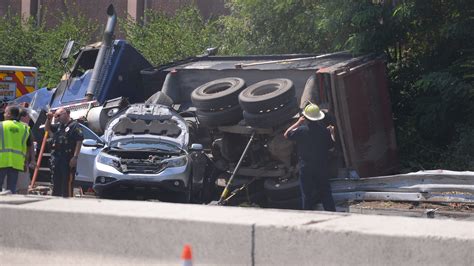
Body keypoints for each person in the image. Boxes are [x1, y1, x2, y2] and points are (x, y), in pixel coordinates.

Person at [284, 103, 336, 211]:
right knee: (326, 193)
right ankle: (332, 213)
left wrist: (298, 122)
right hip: (321, 166)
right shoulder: (324, 131)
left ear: (306, 117)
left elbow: (287, 134)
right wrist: (332, 132)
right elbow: (331, 147)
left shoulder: (301, 130)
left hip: (306, 166)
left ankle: (307, 216)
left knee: (307, 194)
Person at [45, 108, 83, 197]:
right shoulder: (59, 126)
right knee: (56, 182)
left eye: (58, 115)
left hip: (67, 158)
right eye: (56, 116)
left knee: (67, 183)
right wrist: (49, 119)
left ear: (67, 114)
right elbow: (47, 129)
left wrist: (75, 157)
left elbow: (79, 141)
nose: (57, 118)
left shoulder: (74, 125)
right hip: (57, 158)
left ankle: (67, 203)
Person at [0, 105, 33, 194]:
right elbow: (28, 146)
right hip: (16, 163)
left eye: (5, 112)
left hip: (1, 161)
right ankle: (10, 206)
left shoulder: (1, 125)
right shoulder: (25, 128)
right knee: (12, 188)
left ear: (9, 115)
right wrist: (26, 162)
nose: (3, 114)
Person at [16, 108, 36, 194]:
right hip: (22, 162)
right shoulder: (26, 128)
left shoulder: (4, 126)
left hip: (6, 161)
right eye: (28, 116)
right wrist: (33, 160)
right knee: (23, 187)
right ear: (23, 117)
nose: (29, 118)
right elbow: (30, 145)